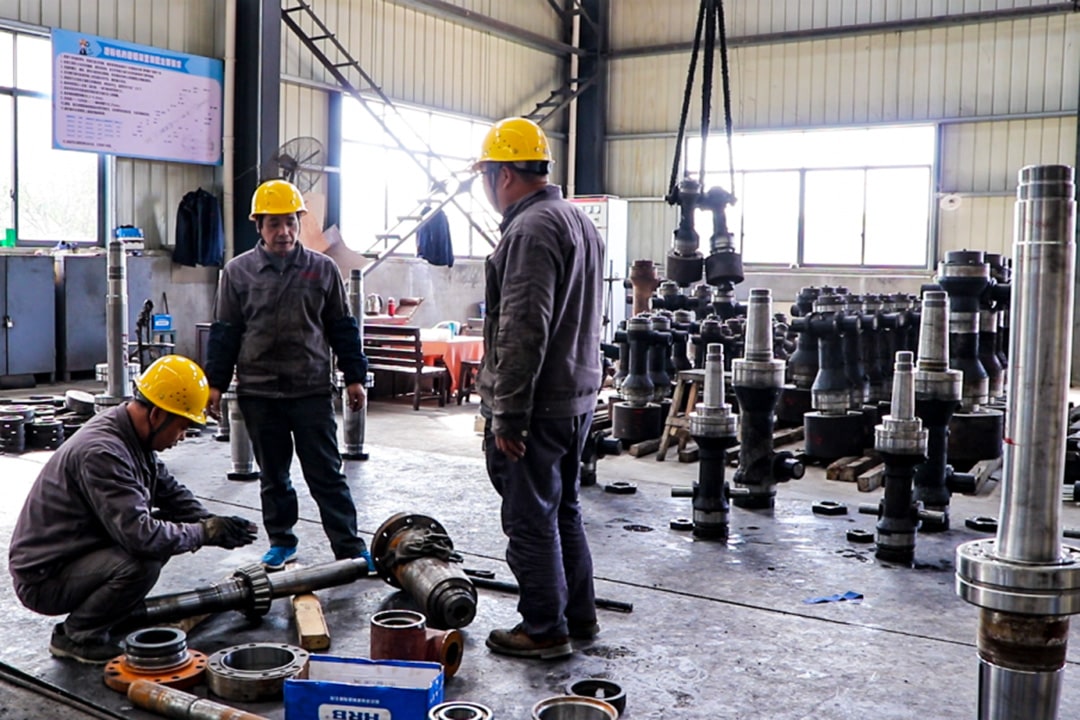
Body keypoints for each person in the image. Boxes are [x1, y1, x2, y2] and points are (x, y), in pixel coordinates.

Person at [8, 355, 258, 664]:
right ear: (157, 414)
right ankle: (77, 636)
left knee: (166, 531)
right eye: (181, 427)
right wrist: (204, 533)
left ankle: (104, 613)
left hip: (75, 551)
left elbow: (169, 490)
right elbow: (142, 537)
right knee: (142, 561)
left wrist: (211, 520)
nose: (182, 437)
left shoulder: (130, 434)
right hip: (44, 578)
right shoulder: (103, 452)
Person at [474, 117, 606, 660]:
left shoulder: (530, 229)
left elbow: (523, 328)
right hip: (575, 397)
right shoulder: (578, 221)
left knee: (530, 517)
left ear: (504, 174)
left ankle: (544, 628)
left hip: (539, 405)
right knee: (563, 508)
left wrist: (508, 415)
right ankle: (579, 615)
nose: (486, 186)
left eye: (485, 175)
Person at [204, 178, 371, 573]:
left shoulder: (322, 269)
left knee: (326, 474)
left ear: (299, 222)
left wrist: (354, 376)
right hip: (259, 393)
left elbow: (341, 327)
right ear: (259, 226)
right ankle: (282, 541)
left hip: (310, 390)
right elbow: (225, 332)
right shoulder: (238, 272)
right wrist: (215, 384)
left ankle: (349, 547)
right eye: (274, 224)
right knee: (274, 477)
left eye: (291, 222)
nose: (284, 232)